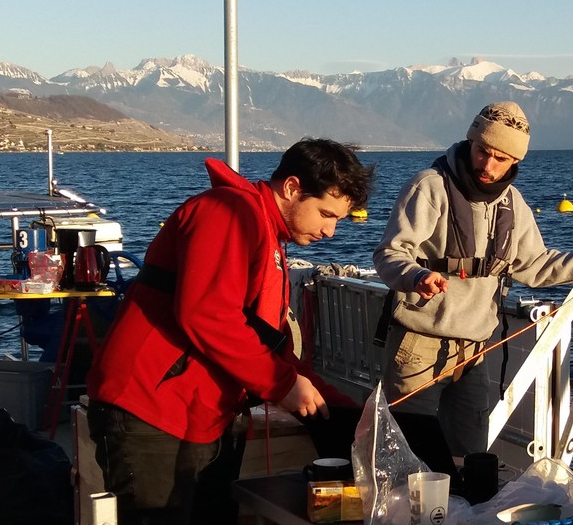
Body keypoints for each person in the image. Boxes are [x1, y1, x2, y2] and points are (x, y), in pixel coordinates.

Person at [86, 138, 373, 525]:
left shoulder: (267, 234)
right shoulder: (228, 213)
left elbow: (267, 341)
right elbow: (206, 313)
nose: (331, 231)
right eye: (326, 214)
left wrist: (343, 409)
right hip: (150, 410)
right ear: (291, 188)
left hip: (203, 415)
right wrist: (282, 384)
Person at [373, 101, 573, 456]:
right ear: (470, 142)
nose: (487, 164)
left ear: (516, 160)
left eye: (501, 158)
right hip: (417, 348)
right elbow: (389, 254)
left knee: (472, 458)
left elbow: (537, 265)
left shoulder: (513, 204)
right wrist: (416, 275)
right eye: (483, 151)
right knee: (408, 456)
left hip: (475, 353)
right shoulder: (429, 187)